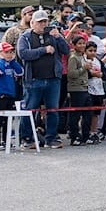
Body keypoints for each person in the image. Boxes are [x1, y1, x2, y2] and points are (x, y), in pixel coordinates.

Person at [18, 10, 70, 149]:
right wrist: (43, 50)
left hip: (53, 79)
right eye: (40, 21)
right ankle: (27, 139)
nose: (43, 24)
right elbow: (23, 54)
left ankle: (51, 138)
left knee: (53, 110)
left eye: (45, 21)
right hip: (33, 79)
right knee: (30, 109)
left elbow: (66, 50)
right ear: (32, 23)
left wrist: (59, 37)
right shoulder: (25, 37)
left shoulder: (54, 35)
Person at [0, 42, 24, 150]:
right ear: (0, 53)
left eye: (11, 52)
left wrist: (13, 62)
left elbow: (20, 72)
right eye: (6, 52)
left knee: (8, 120)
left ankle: (6, 140)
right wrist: (3, 60)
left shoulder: (12, 63)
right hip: (1, 96)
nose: (9, 54)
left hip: (11, 95)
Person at [65, 35, 93, 146]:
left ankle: (86, 135)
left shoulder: (83, 57)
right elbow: (71, 74)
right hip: (76, 89)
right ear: (74, 45)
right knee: (75, 114)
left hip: (85, 88)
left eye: (83, 43)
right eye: (79, 43)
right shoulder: (73, 58)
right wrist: (84, 68)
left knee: (88, 113)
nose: (82, 45)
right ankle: (74, 136)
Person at [84, 41, 105, 145]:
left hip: (99, 90)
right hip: (88, 89)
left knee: (96, 114)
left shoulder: (98, 61)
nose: (93, 53)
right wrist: (92, 74)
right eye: (90, 50)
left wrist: (101, 74)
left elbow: (105, 74)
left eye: (94, 51)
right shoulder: (84, 60)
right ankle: (85, 132)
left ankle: (93, 132)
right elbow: (84, 74)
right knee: (87, 113)